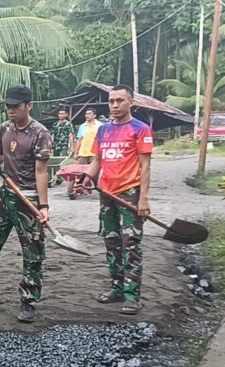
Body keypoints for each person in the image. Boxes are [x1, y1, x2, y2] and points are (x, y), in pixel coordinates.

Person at [0, 85, 52, 323]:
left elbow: (41, 171)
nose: (11, 111)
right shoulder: (5, 128)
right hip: (6, 194)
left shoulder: (40, 133)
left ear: (29, 106)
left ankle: (28, 300)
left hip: (28, 197)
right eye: (8, 107)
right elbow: (3, 156)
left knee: (32, 251)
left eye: (16, 107)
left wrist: (43, 206)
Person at [78, 84, 153, 316]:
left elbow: (145, 166)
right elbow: (97, 161)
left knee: (131, 244)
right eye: (111, 101)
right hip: (106, 194)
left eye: (120, 100)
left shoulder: (140, 129)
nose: (115, 105)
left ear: (131, 103)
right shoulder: (103, 130)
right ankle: (117, 287)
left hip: (129, 194)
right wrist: (86, 179)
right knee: (111, 242)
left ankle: (132, 296)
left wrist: (143, 200)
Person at [68, 108, 103, 200]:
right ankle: (83, 188)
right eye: (86, 114)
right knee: (81, 172)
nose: (87, 115)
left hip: (95, 153)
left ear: (94, 115)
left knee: (95, 173)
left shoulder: (100, 125)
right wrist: (76, 153)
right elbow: (79, 140)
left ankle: (100, 189)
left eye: (89, 114)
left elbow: (102, 139)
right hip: (83, 152)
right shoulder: (83, 126)